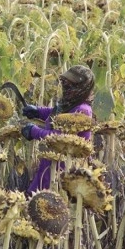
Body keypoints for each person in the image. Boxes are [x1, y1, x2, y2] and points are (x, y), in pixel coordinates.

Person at [21, 65, 95, 195]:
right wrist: (38, 111)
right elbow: (56, 114)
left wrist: (34, 131)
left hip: (65, 168)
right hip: (51, 162)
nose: (65, 88)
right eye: (64, 84)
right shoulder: (71, 103)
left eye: (70, 85)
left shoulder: (82, 110)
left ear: (81, 88)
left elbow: (60, 138)